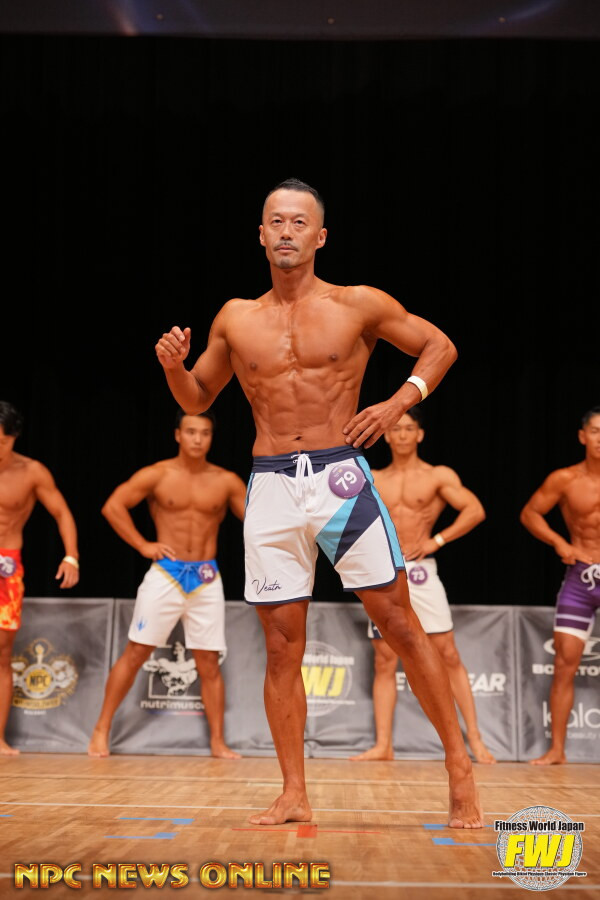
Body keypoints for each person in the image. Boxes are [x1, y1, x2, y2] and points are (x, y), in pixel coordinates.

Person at [155, 177, 483, 828]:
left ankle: (459, 767)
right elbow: (198, 398)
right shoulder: (235, 317)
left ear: (320, 236)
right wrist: (172, 368)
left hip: (340, 479)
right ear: (260, 234)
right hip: (271, 484)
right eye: (276, 221)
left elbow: (440, 345)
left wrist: (395, 404)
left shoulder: (357, 303)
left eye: (299, 222)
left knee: (400, 624)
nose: (287, 231)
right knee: (281, 646)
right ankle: (293, 792)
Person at [88, 409, 246, 759]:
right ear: (177, 435)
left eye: (205, 433)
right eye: (191, 432)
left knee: (208, 661)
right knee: (136, 652)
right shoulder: (158, 474)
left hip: (206, 577)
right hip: (166, 574)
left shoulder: (226, 481)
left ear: (211, 437)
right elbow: (113, 506)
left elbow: (256, 521)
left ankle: (218, 741)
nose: (197, 439)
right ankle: (101, 729)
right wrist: (142, 545)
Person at [351, 406, 495, 764]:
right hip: (385, 572)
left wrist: (437, 541)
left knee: (447, 653)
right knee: (385, 659)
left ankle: (475, 740)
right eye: (395, 429)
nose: (401, 434)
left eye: (408, 428)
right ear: (386, 435)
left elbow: (475, 510)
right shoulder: (373, 477)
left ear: (420, 435)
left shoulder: (437, 475)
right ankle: (383, 745)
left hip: (420, 571)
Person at [520, 406, 600, 766]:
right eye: (595, 431)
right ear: (583, 436)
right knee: (565, 663)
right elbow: (530, 513)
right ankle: (557, 750)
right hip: (579, 579)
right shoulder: (565, 479)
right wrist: (559, 543)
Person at [0, 400, 80, 756]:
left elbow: (61, 512)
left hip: (6, 567)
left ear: (14, 438)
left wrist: (71, 555)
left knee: (2, 654)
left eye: (2, 442)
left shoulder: (32, 472)